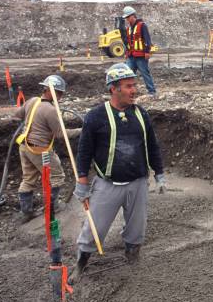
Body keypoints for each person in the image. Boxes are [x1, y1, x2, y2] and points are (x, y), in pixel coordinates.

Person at [69, 63, 166, 284]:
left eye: (135, 85)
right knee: (95, 227)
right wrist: (82, 183)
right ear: (114, 88)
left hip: (138, 182)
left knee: (137, 226)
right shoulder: (96, 116)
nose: (134, 90)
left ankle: (133, 256)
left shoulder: (141, 114)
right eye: (128, 86)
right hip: (108, 185)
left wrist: (159, 173)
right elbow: (84, 151)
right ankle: (81, 264)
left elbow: (152, 146)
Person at [13, 75, 80, 222]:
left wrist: (33, 120)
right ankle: (53, 206)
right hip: (39, 150)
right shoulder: (50, 110)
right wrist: (82, 130)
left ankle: (26, 212)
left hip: (24, 147)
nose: (61, 96)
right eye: (59, 93)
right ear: (51, 91)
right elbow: (61, 134)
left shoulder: (32, 101)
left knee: (28, 179)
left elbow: (17, 115)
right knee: (57, 176)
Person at [120, 5, 157, 96]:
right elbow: (129, 42)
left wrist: (147, 51)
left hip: (141, 56)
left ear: (133, 15)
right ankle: (127, 91)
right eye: (126, 18)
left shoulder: (142, 26)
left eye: (128, 17)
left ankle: (152, 91)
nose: (127, 19)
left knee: (145, 73)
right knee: (127, 73)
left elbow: (147, 39)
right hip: (131, 55)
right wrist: (126, 52)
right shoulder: (129, 29)